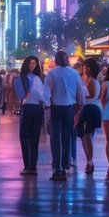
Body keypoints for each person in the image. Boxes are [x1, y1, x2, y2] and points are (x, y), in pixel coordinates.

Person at [45, 51, 84, 180]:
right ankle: (66, 164)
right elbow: (80, 92)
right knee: (67, 137)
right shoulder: (74, 73)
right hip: (70, 108)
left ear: (56, 60)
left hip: (56, 108)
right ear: (67, 60)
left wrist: (47, 106)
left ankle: (57, 167)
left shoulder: (52, 73)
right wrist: (79, 108)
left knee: (55, 138)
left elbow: (47, 93)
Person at [15, 56, 47, 175]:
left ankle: (28, 166)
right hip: (36, 108)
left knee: (25, 137)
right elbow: (42, 94)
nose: (33, 65)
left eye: (34, 63)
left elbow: (23, 95)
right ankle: (31, 166)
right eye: (31, 63)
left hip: (28, 108)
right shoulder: (36, 79)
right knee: (34, 138)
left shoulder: (24, 79)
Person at [76, 58, 103, 175]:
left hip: (91, 109)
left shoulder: (93, 81)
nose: (85, 68)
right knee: (82, 136)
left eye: (87, 67)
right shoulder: (83, 80)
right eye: (84, 66)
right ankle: (89, 160)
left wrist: (80, 96)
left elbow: (91, 95)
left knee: (88, 136)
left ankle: (90, 161)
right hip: (83, 109)